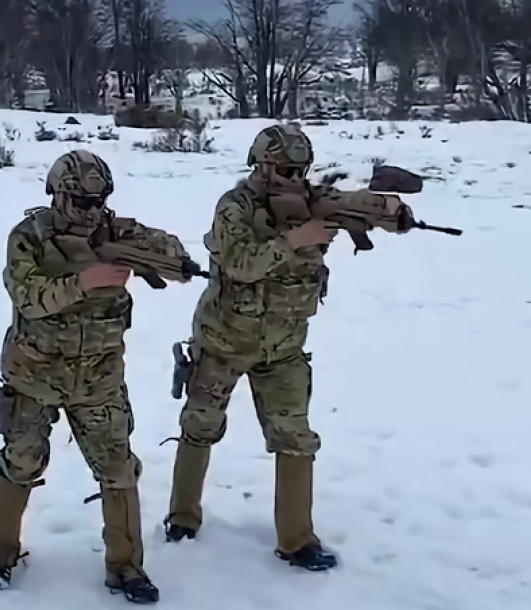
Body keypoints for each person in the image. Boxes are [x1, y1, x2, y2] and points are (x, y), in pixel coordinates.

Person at [163, 123, 412, 571]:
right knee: (200, 425)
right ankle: (182, 516)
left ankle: (297, 540)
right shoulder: (235, 206)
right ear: (262, 164)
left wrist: (390, 213)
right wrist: (298, 238)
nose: (295, 176)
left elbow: (357, 204)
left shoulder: (314, 201)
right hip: (224, 339)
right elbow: (238, 264)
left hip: (285, 346)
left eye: (301, 169)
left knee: (295, 437)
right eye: (285, 168)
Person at [0, 149, 194, 604]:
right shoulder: (29, 236)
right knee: (20, 462)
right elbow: (28, 296)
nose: (91, 211)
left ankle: (127, 568)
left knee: (118, 469)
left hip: (98, 376)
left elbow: (177, 257)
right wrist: (87, 280)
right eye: (81, 202)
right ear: (57, 194)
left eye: (99, 202)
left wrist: (151, 257)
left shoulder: (114, 230)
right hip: (34, 373)